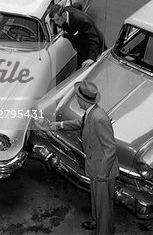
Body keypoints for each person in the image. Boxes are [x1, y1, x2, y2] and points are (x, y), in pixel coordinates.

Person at [51, 80, 119, 235]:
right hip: (95, 165)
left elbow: (110, 147)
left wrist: (102, 172)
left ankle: (104, 231)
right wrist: (59, 125)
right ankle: (97, 223)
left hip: (103, 169)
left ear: (83, 100)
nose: (76, 99)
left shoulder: (99, 118)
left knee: (104, 206)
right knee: (96, 200)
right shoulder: (91, 113)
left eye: (77, 97)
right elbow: (79, 122)